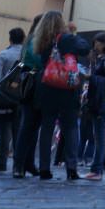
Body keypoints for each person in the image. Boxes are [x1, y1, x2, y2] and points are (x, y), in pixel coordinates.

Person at [31, 11, 83, 180]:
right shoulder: (66, 38)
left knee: (47, 127)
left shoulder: (41, 41)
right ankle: (71, 167)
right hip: (67, 87)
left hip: (47, 86)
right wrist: (73, 34)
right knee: (70, 126)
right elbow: (84, 47)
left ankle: (44, 167)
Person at [12, 14, 44, 179]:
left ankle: (28, 163)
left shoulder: (32, 39)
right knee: (27, 126)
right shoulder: (33, 40)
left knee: (33, 127)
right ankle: (19, 164)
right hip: (32, 83)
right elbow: (37, 61)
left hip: (35, 83)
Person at [0, 28, 25, 171]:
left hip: (5, 96)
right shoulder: (27, 55)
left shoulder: (4, 55)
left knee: (5, 131)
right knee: (19, 131)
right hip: (22, 96)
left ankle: (2, 162)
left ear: (10, 39)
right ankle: (18, 164)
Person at [83, 32, 105, 181]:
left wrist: (91, 77)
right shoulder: (100, 59)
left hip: (103, 104)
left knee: (100, 137)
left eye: (98, 42)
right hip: (97, 102)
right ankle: (96, 169)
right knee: (98, 136)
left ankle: (97, 170)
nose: (95, 45)